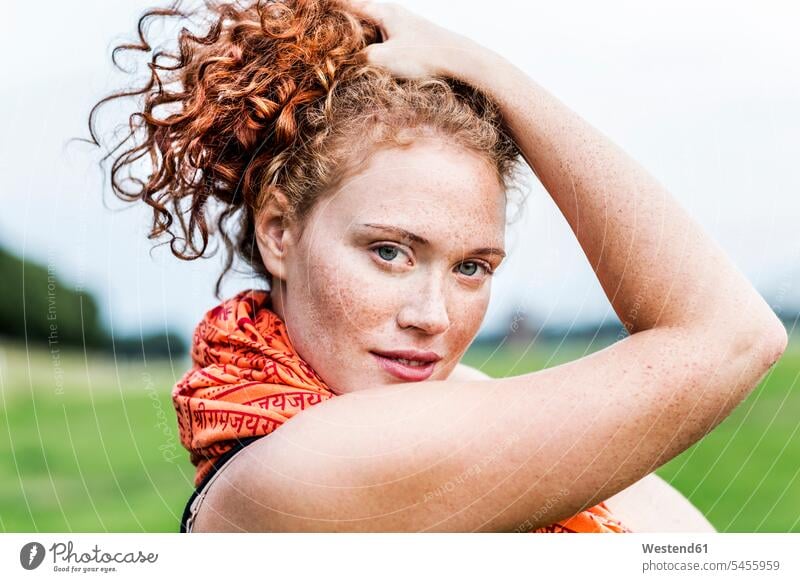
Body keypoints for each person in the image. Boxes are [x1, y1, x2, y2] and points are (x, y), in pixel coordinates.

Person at [89, 0, 787, 532]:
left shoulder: (448, 405)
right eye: (389, 252)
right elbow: (731, 334)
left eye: (472, 268)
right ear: (278, 232)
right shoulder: (301, 469)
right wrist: (491, 72)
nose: (432, 316)